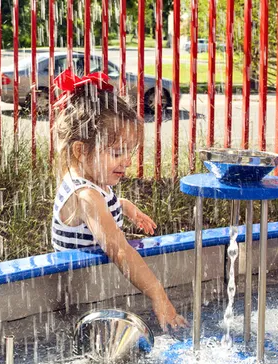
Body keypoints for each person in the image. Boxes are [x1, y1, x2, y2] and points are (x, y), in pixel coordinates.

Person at [50, 68, 188, 332]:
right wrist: (158, 295)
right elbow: (119, 250)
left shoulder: (89, 184)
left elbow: (92, 216)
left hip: (91, 295)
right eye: (117, 153)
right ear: (80, 150)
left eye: (129, 152)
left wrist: (124, 206)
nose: (126, 161)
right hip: (81, 303)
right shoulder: (86, 195)